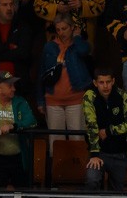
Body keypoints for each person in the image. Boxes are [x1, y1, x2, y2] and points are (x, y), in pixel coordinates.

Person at [38, 13, 93, 146]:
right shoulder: (49, 47)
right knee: (56, 142)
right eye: (58, 29)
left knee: (77, 140)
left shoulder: (79, 44)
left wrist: (77, 37)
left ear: (72, 27)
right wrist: (40, 100)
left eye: (64, 28)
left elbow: (84, 51)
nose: (61, 32)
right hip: (53, 100)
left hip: (76, 99)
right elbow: (42, 74)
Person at [83, 67, 127, 192]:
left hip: (120, 152)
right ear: (95, 83)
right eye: (101, 82)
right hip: (99, 152)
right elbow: (91, 125)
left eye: (108, 82)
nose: (105, 86)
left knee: (117, 193)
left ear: (113, 81)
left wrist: (109, 131)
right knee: (92, 180)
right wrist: (94, 154)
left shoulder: (122, 95)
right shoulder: (89, 96)